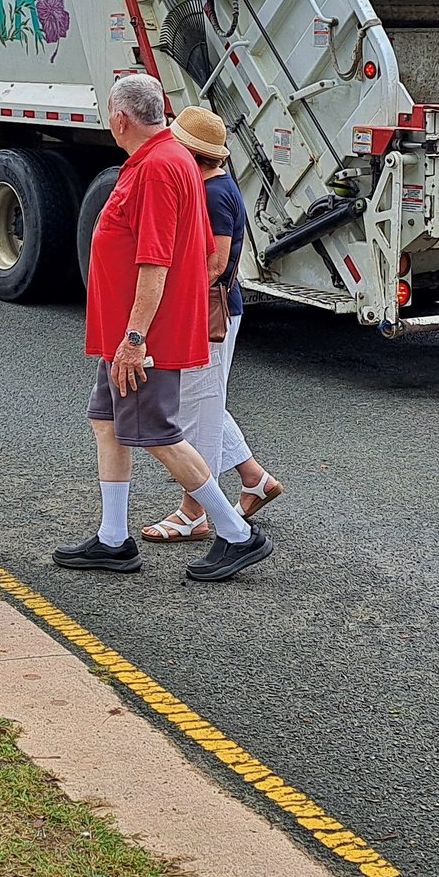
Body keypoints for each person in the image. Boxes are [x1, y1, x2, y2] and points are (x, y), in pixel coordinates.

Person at [53, 73, 273, 583]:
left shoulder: (156, 168)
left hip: (142, 335)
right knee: (108, 422)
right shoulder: (166, 159)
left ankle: (237, 533)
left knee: (157, 434)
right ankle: (113, 538)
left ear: (119, 119)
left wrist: (134, 339)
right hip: (130, 332)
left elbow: (155, 262)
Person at [142, 107, 286, 543]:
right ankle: (254, 478)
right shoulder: (215, 185)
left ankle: (195, 512)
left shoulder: (212, 194)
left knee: (197, 410)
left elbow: (215, 263)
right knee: (203, 402)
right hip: (213, 312)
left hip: (207, 316)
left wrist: (167, 301)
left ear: (189, 153)